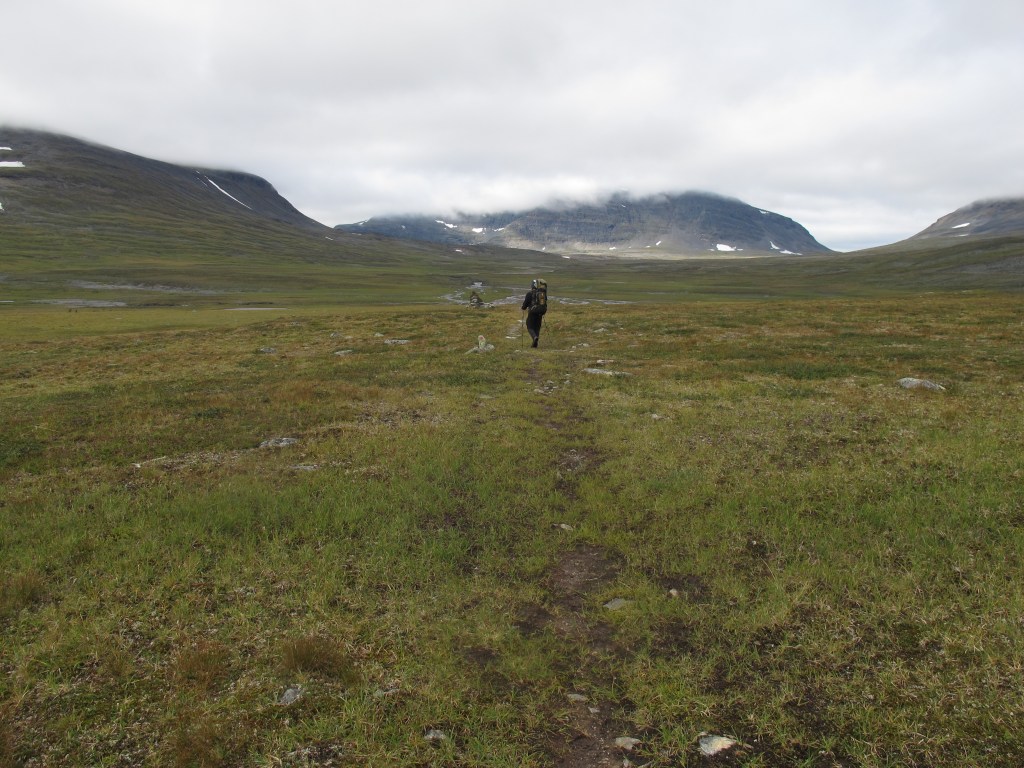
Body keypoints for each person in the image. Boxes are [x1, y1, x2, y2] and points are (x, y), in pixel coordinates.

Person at [521, 278, 547, 348]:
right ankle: (535, 343)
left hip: (532, 313)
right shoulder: (542, 293)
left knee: (529, 326)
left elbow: (525, 305)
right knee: (537, 327)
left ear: (532, 286)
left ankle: (535, 337)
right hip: (540, 313)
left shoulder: (529, 294)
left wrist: (523, 308)